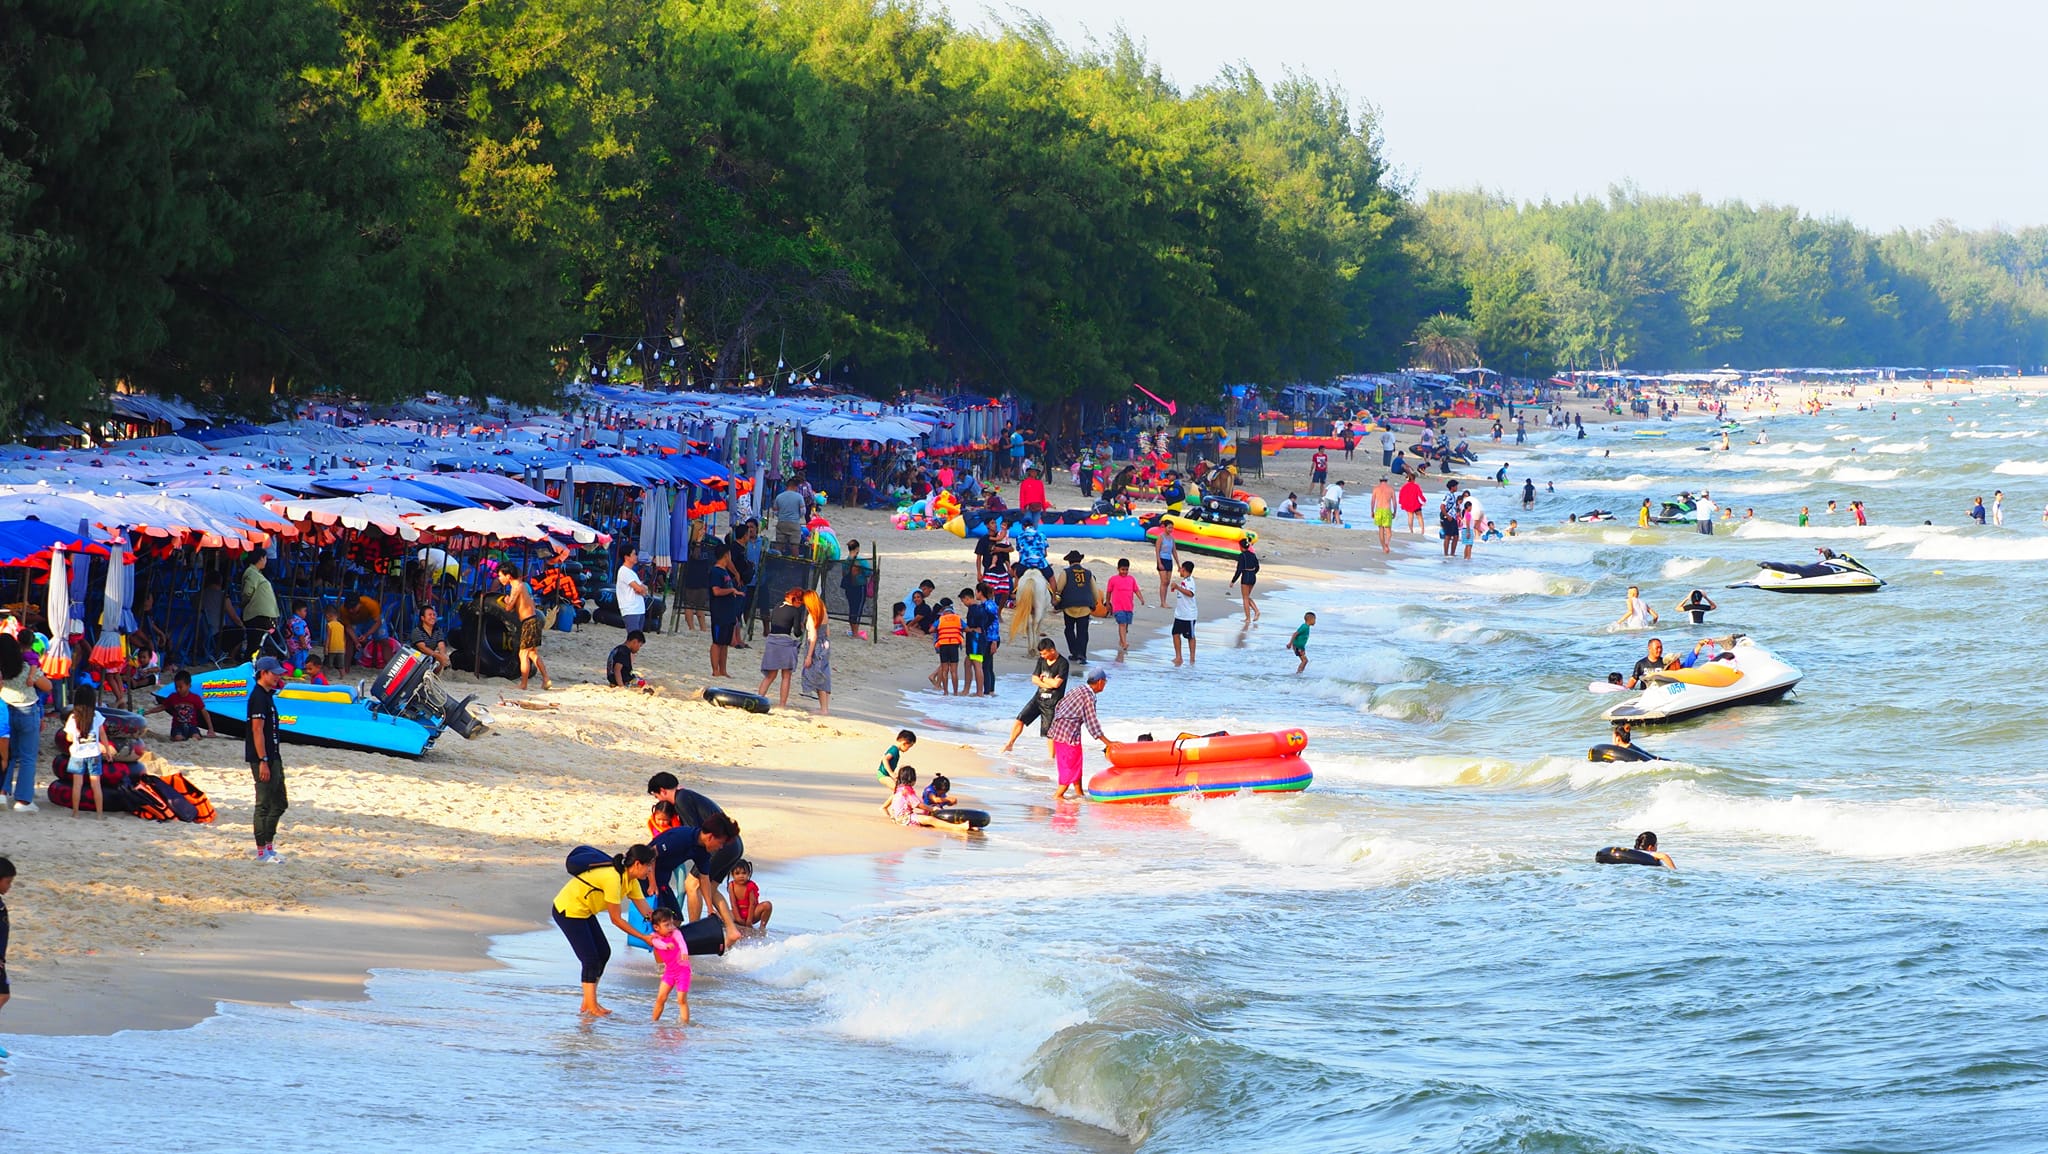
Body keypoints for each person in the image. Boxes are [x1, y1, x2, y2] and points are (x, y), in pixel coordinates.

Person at [552, 844, 658, 1016]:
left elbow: (647, 912)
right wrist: (644, 937)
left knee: (603, 952)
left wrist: (667, 929)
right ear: (638, 864)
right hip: (567, 910)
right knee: (590, 959)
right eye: (649, 866)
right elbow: (616, 919)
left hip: (584, 911)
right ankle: (591, 1007)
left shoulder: (631, 881)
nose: (650, 871)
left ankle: (589, 1002)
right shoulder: (613, 878)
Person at [650, 815, 744, 942]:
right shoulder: (681, 837)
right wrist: (652, 883)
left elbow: (704, 878)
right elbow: (651, 853)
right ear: (710, 836)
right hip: (647, 876)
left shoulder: (703, 851)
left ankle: (672, 955)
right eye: (721, 843)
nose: (721, 847)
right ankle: (664, 959)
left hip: (662, 882)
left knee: (676, 919)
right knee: (662, 925)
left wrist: (710, 908)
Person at [246, 656, 290, 860]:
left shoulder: (268, 695)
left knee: (280, 802)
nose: (277, 677)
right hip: (262, 757)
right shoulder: (257, 697)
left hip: (274, 754)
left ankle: (269, 845)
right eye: (274, 674)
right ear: (263, 673)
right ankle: (261, 851)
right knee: (263, 803)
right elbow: (257, 731)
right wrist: (263, 760)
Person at [1, 635, 52, 810]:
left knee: (7, 754)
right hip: (27, 711)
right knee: (27, 758)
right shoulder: (25, 667)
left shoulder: (2, 671)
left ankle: (3, 792)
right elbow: (47, 686)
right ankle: (23, 800)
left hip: (5, 712)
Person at [1048, 668, 1111, 801]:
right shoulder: (1089, 696)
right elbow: (1091, 722)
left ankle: (1079, 793)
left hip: (1058, 730)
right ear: (1099, 682)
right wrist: (1108, 743)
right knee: (1071, 764)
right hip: (1069, 733)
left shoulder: (1079, 689)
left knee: (1073, 762)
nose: (1105, 685)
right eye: (1105, 682)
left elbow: (1059, 705)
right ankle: (1058, 795)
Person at [1000, 639, 1068, 756]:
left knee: (1049, 733)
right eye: (1041, 654)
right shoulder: (1042, 660)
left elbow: (1057, 684)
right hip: (1038, 698)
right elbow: (1034, 679)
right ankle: (1010, 744)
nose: (1042, 656)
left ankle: (1051, 759)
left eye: (1044, 653)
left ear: (1052, 650)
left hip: (1052, 702)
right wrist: (1048, 683)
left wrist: (1044, 679)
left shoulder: (1063, 663)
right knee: (1020, 719)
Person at [495, 567, 551, 690]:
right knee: (532, 653)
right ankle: (546, 679)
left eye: (500, 576)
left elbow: (509, 608)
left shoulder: (516, 587)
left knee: (523, 654)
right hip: (533, 619)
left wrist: (506, 600)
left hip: (528, 622)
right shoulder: (522, 586)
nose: (499, 579)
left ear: (508, 576)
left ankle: (523, 684)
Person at [61, 685, 108, 818]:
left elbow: (69, 737)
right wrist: (107, 750)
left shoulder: (73, 718)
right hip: (94, 754)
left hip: (77, 755)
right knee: (96, 784)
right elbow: (103, 734)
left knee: (77, 785)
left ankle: (75, 812)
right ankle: (99, 814)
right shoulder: (97, 715)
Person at [757, 588, 806, 707]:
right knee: (786, 675)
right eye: (800, 602)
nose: (800, 605)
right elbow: (797, 632)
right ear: (795, 599)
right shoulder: (795, 611)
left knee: (770, 675)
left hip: (772, 641)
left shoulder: (777, 605)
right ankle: (782, 704)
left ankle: (759, 698)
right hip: (784, 641)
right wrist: (802, 626)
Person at [645, 907, 692, 1024]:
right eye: (667, 925)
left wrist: (685, 952)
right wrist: (665, 946)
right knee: (661, 998)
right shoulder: (654, 937)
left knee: (681, 1000)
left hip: (683, 971)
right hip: (669, 972)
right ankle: (653, 1022)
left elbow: (681, 942)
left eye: (671, 924)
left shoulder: (676, 933)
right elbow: (657, 943)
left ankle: (684, 1026)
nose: (671, 927)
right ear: (656, 927)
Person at [1053, 550, 1100, 664]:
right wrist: (1093, 603)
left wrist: (1057, 602)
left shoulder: (1066, 572)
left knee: (1069, 630)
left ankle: (1074, 652)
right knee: (1083, 632)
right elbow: (1095, 592)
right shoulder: (1088, 573)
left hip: (1069, 606)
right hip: (1085, 607)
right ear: (1080, 561)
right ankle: (1082, 655)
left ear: (1069, 561)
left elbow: (1059, 589)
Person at [706, 542, 745, 678]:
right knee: (717, 642)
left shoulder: (725, 572)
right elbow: (716, 591)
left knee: (725, 643)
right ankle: (715, 670)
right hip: (719, 612)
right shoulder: (716, 572)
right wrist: (731, 590)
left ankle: (723, 670)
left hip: (728, 612)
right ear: (726, 555)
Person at [801, 590, 834, 713]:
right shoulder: (824, 612)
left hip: (815, 647)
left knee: (816, 675)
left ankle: (824, 709)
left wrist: (809, 655)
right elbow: (827, 632)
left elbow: (813, 637)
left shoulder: (812, 616)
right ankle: (825, 708)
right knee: (824, 673)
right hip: (824, 644)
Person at [1105, 558, 1144, 659]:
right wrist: (1108, 603)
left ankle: (1122, 640)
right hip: (1118, 607)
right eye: (1122, 569)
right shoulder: (1113, 579)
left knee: (1126, 626)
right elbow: (1109, 592)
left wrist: (1141, 598)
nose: (1124, 572)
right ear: (1118, 569)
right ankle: (1124, 642)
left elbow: (1136, 590)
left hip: (1129, 607)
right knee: (1122, 624)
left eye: (1126, 570)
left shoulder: (1131, 579)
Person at [962, 585, 995, 697]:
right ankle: (967, 689)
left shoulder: (974, 609)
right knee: (967, 662)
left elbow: (971, 625)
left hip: (975, 638)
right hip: (980, 637)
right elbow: (991, 618)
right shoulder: (982, 608)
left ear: (967, 598)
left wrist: (969, 629)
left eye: (963, 601)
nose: (963, 603)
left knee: (977, 664)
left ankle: (979, 692)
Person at [240, 553, 280, 641]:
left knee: (269, 641)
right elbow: (247, 592)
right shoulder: (251, 572)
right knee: (257, 642)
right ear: (261, 558)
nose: (266, 561)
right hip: (259, 615)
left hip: (264, 615)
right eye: (265, 558)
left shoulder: (256, 573)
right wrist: (243, 604)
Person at [929, 597, 964, 694]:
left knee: (945, 668)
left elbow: (931, 630)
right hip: (953, 645)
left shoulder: (940, 618)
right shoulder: (957, 618)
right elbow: (966, 628)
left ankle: (945, 691)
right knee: (953, 670)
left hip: (942, 643)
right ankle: (955, 692)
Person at [728, 859, 772, 933]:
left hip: (752, 914)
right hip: (737, 913)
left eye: (744, 873)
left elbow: (752, 904)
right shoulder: (731, 885)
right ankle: (733, 925)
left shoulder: (750, 885)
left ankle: (762, 928)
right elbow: (733, 903)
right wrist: (738, 918)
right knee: (719, 913)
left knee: (767, 905)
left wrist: (749, 920)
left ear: (748, 874)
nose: (741, 876)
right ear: (732, 875)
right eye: (737, 873)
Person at [840, 539, 871, 639]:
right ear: (857, 548)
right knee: (858, 610)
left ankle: (854, 631)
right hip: (859, 586)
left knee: (852, 608)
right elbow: (868, 573)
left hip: (849, 587)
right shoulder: (861, 561)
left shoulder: (846, 561)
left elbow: (843, 574)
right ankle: (855, 633)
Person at [615, 547, 650, 633]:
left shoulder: (632, 572)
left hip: (639, 609)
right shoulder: (624, 571)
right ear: (626, 557)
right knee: (633, 638)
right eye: (634, 554)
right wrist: (641, 589)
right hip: (631, 610)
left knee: (638, 639)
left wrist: (642, 589)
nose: (636, 556)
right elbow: (639, 588)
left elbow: (643, 589)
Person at [1171, 560, 1199, 666]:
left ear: (1184, 569)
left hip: (1189, 615)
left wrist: (1178, 587)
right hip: (1179, 614)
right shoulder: (1184, 581)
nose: (1179, 571)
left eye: (1181, 569)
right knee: (1175, 633)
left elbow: (1190, 594)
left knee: (1190, 636)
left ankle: (1192, 658)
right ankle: (1179, 656)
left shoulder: (1190, 581)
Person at [409, 605, 451, 671]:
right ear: (422, 618)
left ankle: (434, 675)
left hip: (430, 657)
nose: (433, 617)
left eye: (434, 615)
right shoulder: (417, 631)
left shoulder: (438, 630)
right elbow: (422, 648)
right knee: (438, 657)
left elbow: (441, 645)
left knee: (442, 657)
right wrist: (439, 656)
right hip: (417, 658)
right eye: (430, 615)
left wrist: (443, 655)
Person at [1227, 539, 1260, 624]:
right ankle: (1256, 611)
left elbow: (1239, 570)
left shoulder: (1242, 556)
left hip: (1246, 576)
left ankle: (1248, 618)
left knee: (1245, 598)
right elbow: (1257, 567)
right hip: (1253, 576)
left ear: (1241, 547)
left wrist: (1233, 581)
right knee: (1247, 596)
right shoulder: (1253, 555)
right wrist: (1253, 573)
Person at [772, 477, 807, 551]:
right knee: (795, 546)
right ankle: (795, 561)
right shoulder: (799, 497)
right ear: (795, 486)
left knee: (779, 545)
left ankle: (777, 559)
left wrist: (781, 515)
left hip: (781, 522)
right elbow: (803, 511)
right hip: (794, 524)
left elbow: (775, 511)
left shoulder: (779, 497)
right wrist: (798, 516)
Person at [1153, 519, 1177, 602]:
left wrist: (1178, 564)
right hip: (1162, 559)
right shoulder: (1161, 537)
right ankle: (1162, 602)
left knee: (1167, 582)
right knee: (1163, 581)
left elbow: (1174, 551)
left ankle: (1165, 600)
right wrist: (1159, 562)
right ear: (1165, 527)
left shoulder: (1172, 538)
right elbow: (1157, 550)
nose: (1171, 529)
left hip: (1169, 560)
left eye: (1172, 528)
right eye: (1169, 528)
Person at [1371, 476, 1396, 554]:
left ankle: (1383, 547)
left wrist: (1372, 511)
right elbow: (1394, 502)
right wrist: (1395, 512)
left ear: (1380, 480)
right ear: (1387, 480)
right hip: (1387, 509)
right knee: (1388, 530)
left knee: (1381, 529)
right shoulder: (1390, 489)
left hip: (1378, 510)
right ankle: (1387, 543)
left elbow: (1373, 502)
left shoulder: (1376, 489)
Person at [1439, 480, 1461, 557]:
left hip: (1453, 518)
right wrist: (1447, 516)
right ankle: (1446, 553)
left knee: (1456, 536)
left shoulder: (1453, 495)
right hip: (1448, 518)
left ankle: (1452, 553)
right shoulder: (1448, 495)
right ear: (1452, 487)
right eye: (1456, 486)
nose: (1457, 487)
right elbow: (1442, 506)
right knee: (1448, 536)